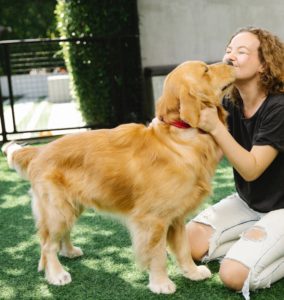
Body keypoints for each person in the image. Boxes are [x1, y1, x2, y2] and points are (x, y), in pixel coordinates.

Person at [186, 26, 284, 300]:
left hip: (283, 209)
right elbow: (211, 157)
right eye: (229, 50)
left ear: (264, 64)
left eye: (242, 52)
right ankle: (255, 246)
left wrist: (216, 128)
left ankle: (252, 253)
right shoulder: (230, 101)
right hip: (249, 202)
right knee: (187, 244)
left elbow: (251, 169)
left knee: (232, 275)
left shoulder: (279, 107)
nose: (230, 57)